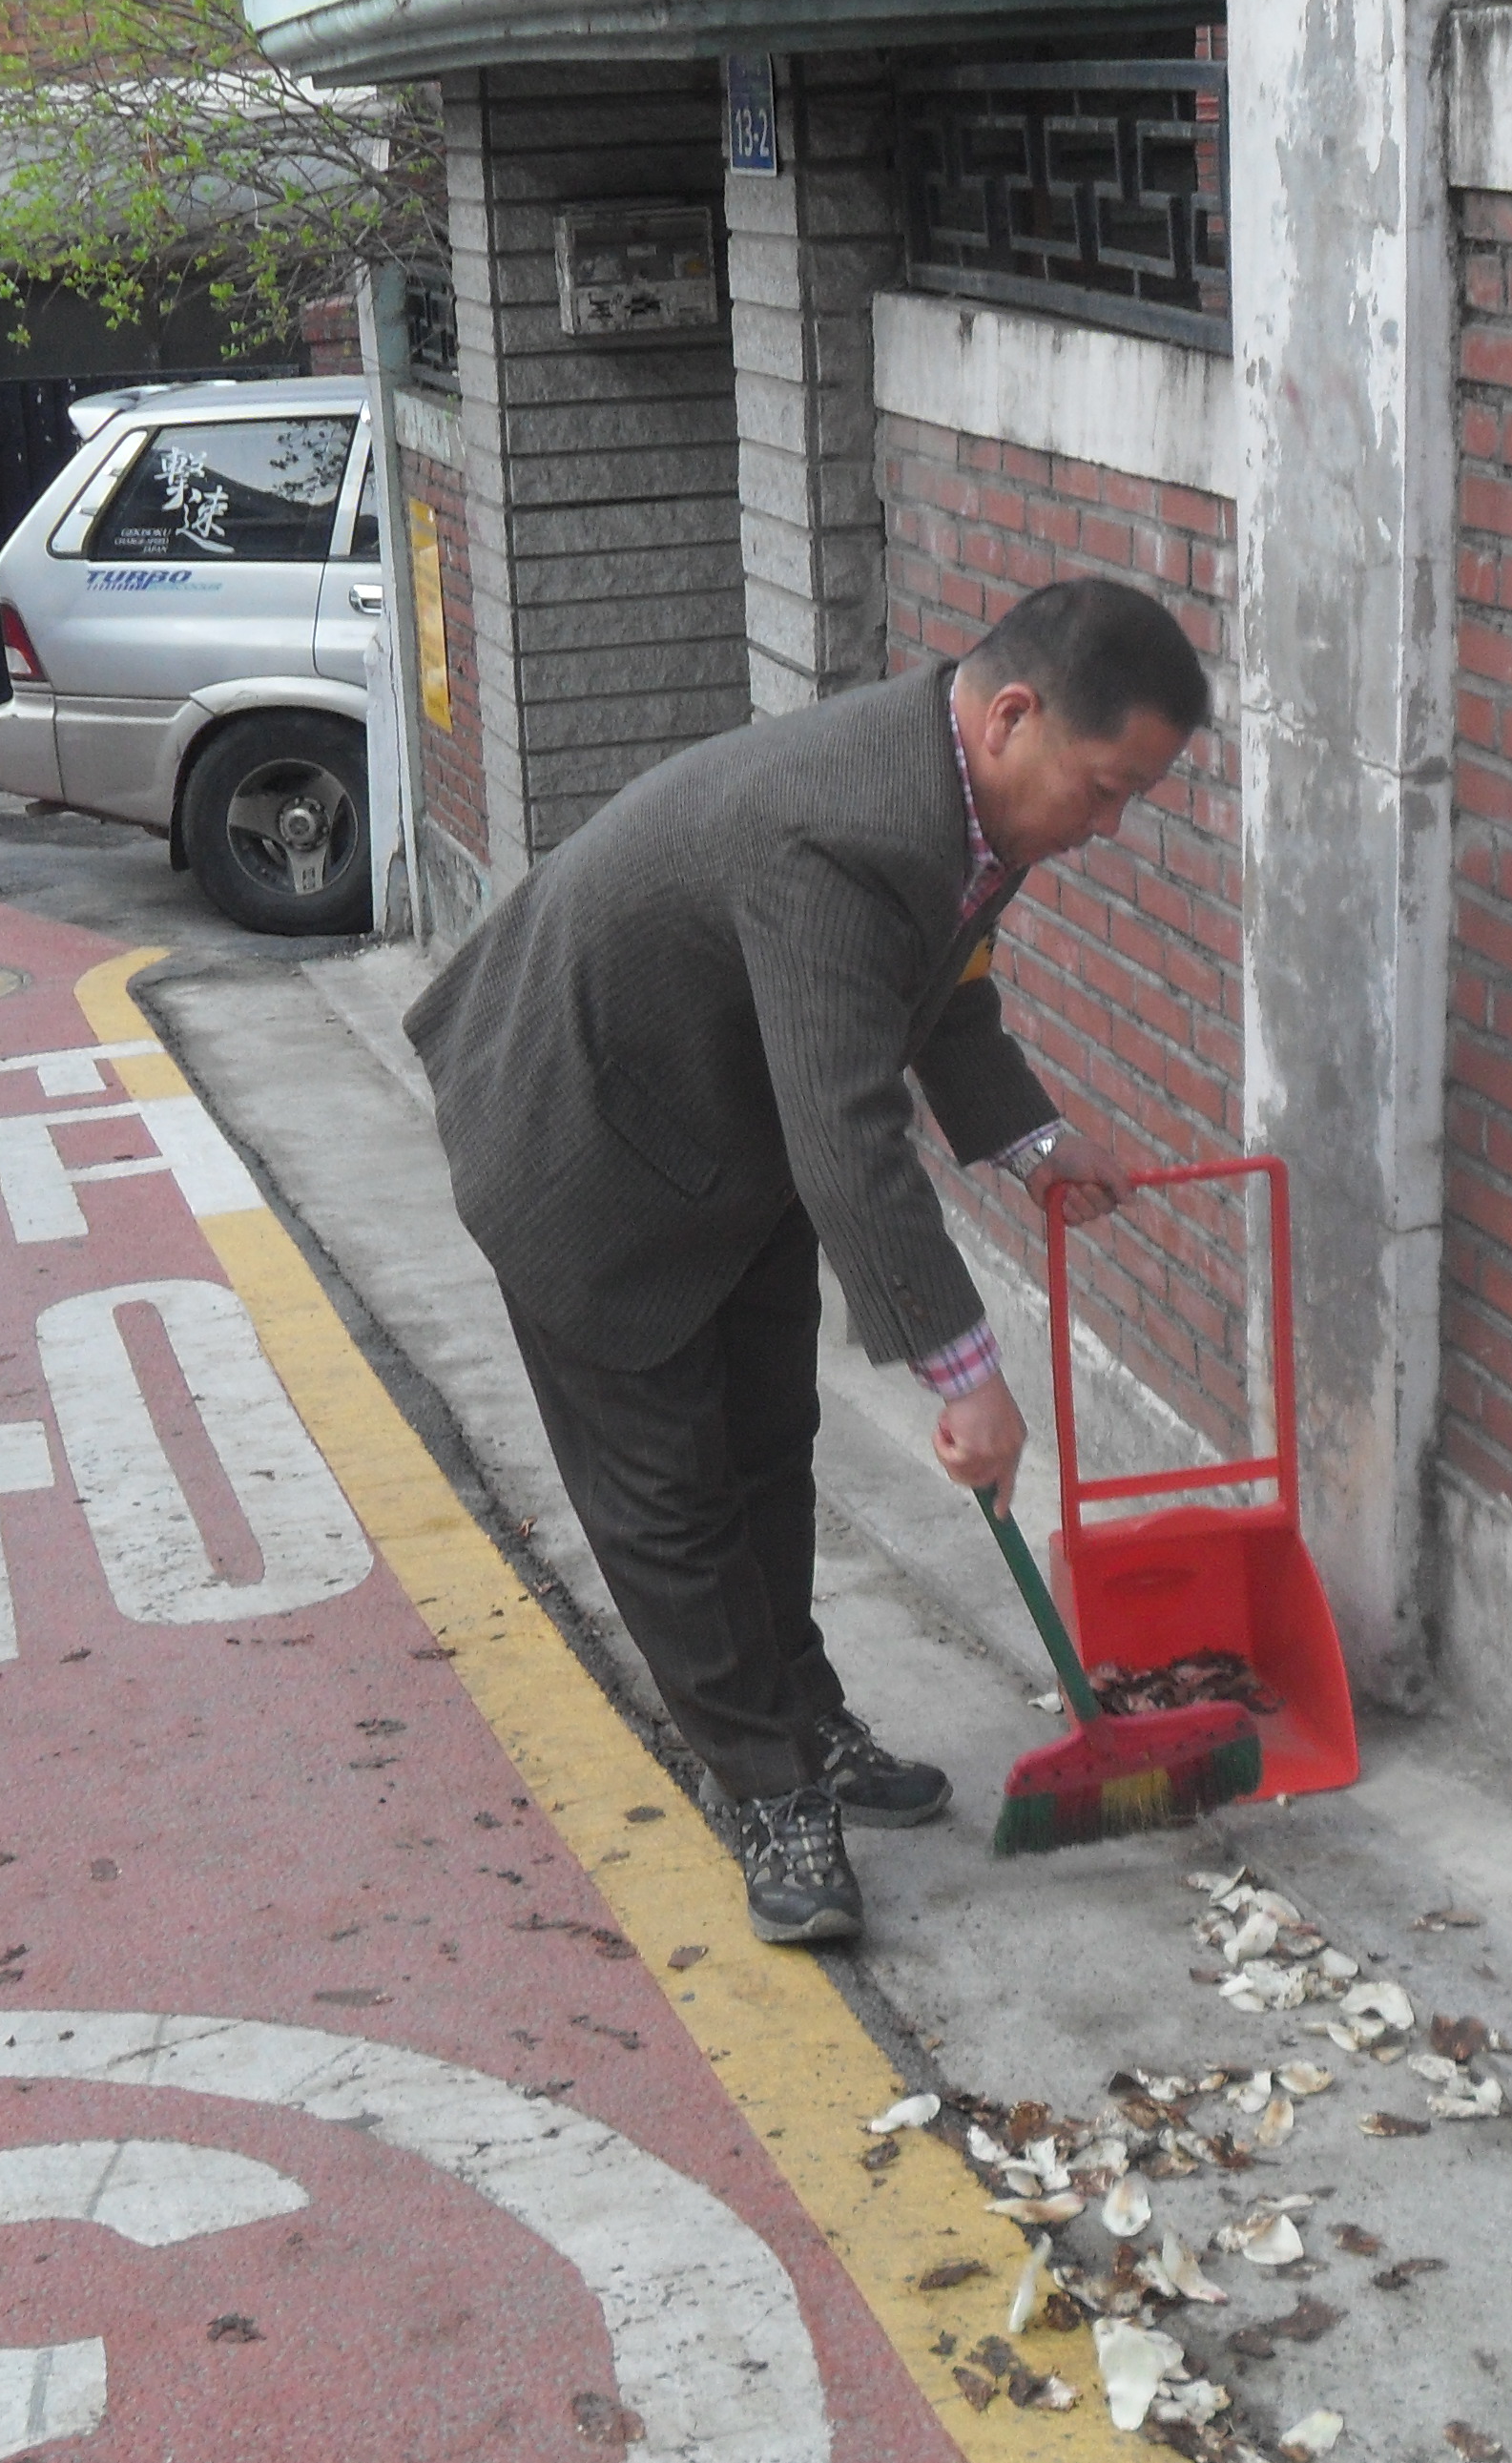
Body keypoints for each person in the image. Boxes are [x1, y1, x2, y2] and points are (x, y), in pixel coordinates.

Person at [405, 576, 1210, 1943]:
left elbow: (943, 993)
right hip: (579, 1136)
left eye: (1133, 799)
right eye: (1105, 788)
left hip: (727, 1126)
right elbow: (850, 1133)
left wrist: (1033, 1140)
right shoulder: (846, 830)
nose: (1109, 827)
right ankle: (770, 1789)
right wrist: (965, 1375)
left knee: (770, 1439)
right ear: (1015, 716)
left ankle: (806, 1713)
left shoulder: (966, 802)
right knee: (668, 1498)